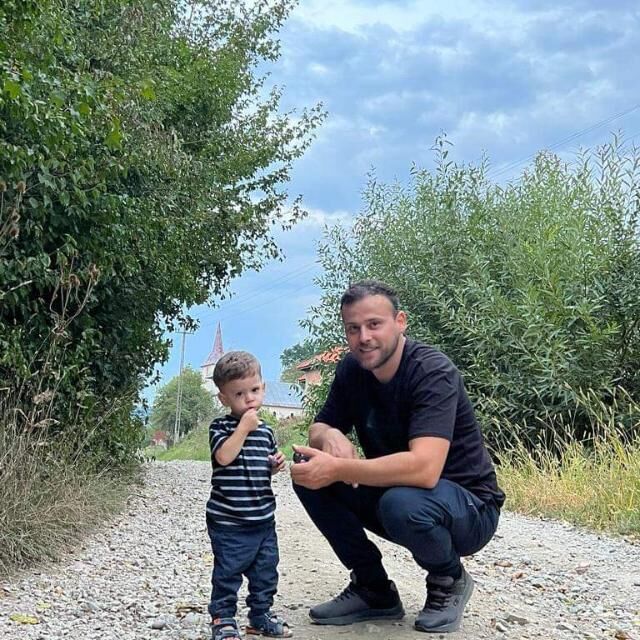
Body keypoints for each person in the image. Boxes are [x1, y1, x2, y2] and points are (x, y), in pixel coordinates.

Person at [290, 280, 505, 634]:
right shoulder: (352, 370)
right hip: (400, 495)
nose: (364, 338)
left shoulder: (431, 372)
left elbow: (424, 469)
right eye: (353, 329)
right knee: (309, 473)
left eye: (374, 324)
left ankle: (448, 580)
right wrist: (329, 435)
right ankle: (373, 589)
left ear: (400, 322)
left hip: (469, 508)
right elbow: (319, 426)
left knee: (401, 502)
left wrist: (341, 467)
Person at [206, 351, 292, 640]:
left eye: (254, 390)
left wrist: (275, 465)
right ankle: (222, 617)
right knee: (228, 572)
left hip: (263, 518)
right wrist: (243, 428)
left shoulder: (266, 431)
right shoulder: (220, 427)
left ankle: (260, 614)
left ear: (263, 388)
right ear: (224, 399)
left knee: (266, 571)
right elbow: (224, 457)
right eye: (239, 394)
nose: (249, 399)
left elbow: (263, 467)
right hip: (229, 521)